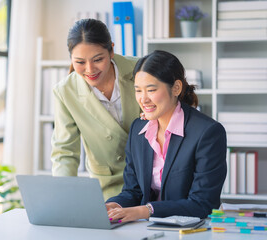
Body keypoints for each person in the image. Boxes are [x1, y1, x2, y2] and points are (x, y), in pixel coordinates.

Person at [106, 50, 227, 222]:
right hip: (146, 229)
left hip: (192, 230)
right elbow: (133, 191)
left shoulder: (208, 133)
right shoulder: (138, 130)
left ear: (176, 88)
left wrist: (145, 211)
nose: (143, 99)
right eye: (138, 91)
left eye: (151, 90)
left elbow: (203, 203)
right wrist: (114, 205)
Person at [51, 19, 140, 200]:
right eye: (80, 62)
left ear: (112, 50)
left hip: (153, 181)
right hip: (109, 187)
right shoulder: (65, 92)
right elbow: (65, 152)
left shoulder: (141, 69)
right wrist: (62, 197)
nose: (90, 70)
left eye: (98, 59)